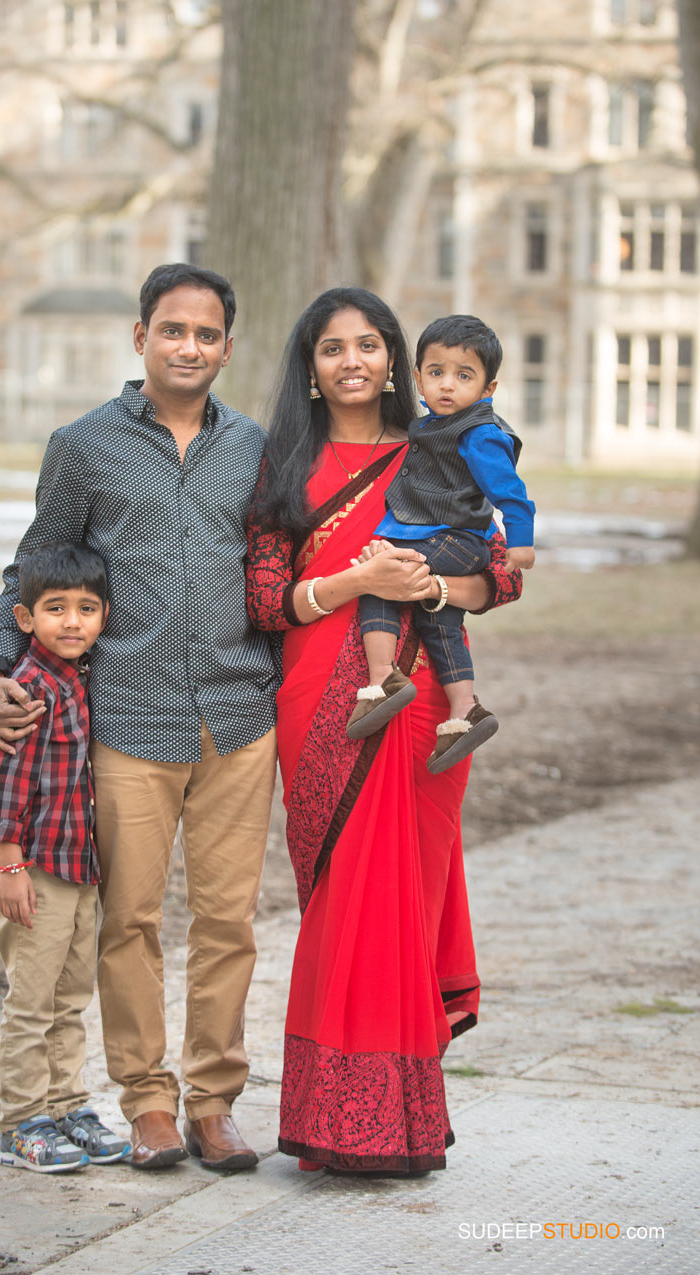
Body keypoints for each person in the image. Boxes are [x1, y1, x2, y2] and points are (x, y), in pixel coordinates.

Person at [0, 263, 278, 1172]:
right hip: (129, 720)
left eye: (208, 333)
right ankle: (146, 1101)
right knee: (129, 919)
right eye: (173, 330)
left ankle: (215, 1100)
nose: (190, 347)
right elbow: (32, 568)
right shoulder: (85, 445)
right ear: (140, 336)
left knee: (229, 923)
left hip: (237, 717)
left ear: (226, 345)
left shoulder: (252, 446)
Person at [246, 287, 522, 1175]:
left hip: (425, 702)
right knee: (347, 898)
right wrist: (355, 581)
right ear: (312, 365)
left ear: (396, 358)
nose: (354, 360)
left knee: (409, 895)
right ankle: (339, 1120)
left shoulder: (436, 444)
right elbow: (264, 601)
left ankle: (397, 1119)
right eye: (334, 347)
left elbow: (501, 577)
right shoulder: (281, 466)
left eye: (370, 344)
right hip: (324, 707)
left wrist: (430, 590)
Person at [0, 542, 132, 1172]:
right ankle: (21, 1121)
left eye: (87, 609)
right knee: (32, 1001)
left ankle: (68, 1104)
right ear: (25, 618)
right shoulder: (28, 689)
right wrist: (9, 867)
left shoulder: (84, 677)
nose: (73, 622)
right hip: (33, 872)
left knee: (70, 999)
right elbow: (2, 787)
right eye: (56, 609)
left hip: (78, 869)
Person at [346, 314, 536, 773]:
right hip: (439, 537)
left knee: (382, 579)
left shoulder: (479, 433)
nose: (447, 385)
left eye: (463, 375)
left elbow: (509, 491)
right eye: (436, 373)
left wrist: (521, 542)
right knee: (441, 623)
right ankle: (463, 711)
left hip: (454, 540)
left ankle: (381, 680)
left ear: (488, 389)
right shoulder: (431, 425)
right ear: (417, 378)